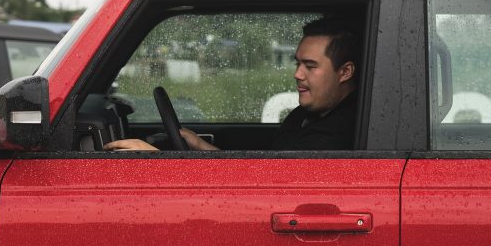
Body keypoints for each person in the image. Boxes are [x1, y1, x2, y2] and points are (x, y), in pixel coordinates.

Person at [103, 18, 359, 151]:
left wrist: (155, 162)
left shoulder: (336, 136)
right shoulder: (309, 114)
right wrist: (201, 145)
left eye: (310, 66)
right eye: (297, 63)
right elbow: (260, 171)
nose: (298, 74)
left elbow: (264, 186)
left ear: (345, 72)